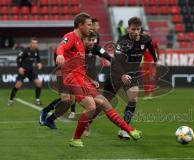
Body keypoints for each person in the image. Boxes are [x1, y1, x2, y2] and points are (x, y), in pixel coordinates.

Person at [40, 13, 141, 147]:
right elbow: (61, 46)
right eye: (88, 24)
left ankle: (130, 130)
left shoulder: (81, 43)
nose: (91, 27)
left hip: (81, 79)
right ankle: (75, 138)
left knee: (104, 103)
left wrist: (90, 80)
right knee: (90, 106)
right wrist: (59, 54)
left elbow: (79, 68)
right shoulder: (70, 37)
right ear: (80, 25)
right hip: (71, 80)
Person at [92, 17, 158, 140]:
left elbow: (150, 47)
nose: (135, 32)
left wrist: (155, 58)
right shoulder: (123, 41)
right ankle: (87, 123)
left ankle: (124, 129)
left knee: (133, 98)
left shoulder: (146, 39)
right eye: (133, 29)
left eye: (138, 29)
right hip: (117, 74)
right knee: (104, 102)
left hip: (132, 74)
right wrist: (122, 75)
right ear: (128, 28)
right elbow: (116, 62)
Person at [40, 32, 112, 123]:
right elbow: (60, 50)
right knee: (67, 100)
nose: (91, 42)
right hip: (64, 73)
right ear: (83, 39)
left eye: (93, 40)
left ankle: (49, 120)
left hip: (78, 76)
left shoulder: (96, 48)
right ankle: (46, 111)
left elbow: (107, 56)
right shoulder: (75, 46)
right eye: (89, 40)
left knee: (69, 102)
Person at [8, 37, 42, 106]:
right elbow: (18, 59)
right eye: (33, 43)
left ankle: (37, 100)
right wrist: (19, 68)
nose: (34, 44)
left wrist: (39, 63)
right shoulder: (25, 51)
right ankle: (10, 100)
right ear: (30, 44)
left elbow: (38, 59)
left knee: (38, 83)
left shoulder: (36, 51)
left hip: (31, 70)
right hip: (23, 70)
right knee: (18, 85)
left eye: (36, 43)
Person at [141, 30, 160, 100]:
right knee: (145, 78)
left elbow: (158, 49)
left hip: (151, 62)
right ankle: (147, 93)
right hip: (144, 62)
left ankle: (150, 93)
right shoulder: (141, 43)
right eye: (143, 34)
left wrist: (157, 59)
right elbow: (141, 53)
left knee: (151, 78)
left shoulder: (153, 41)